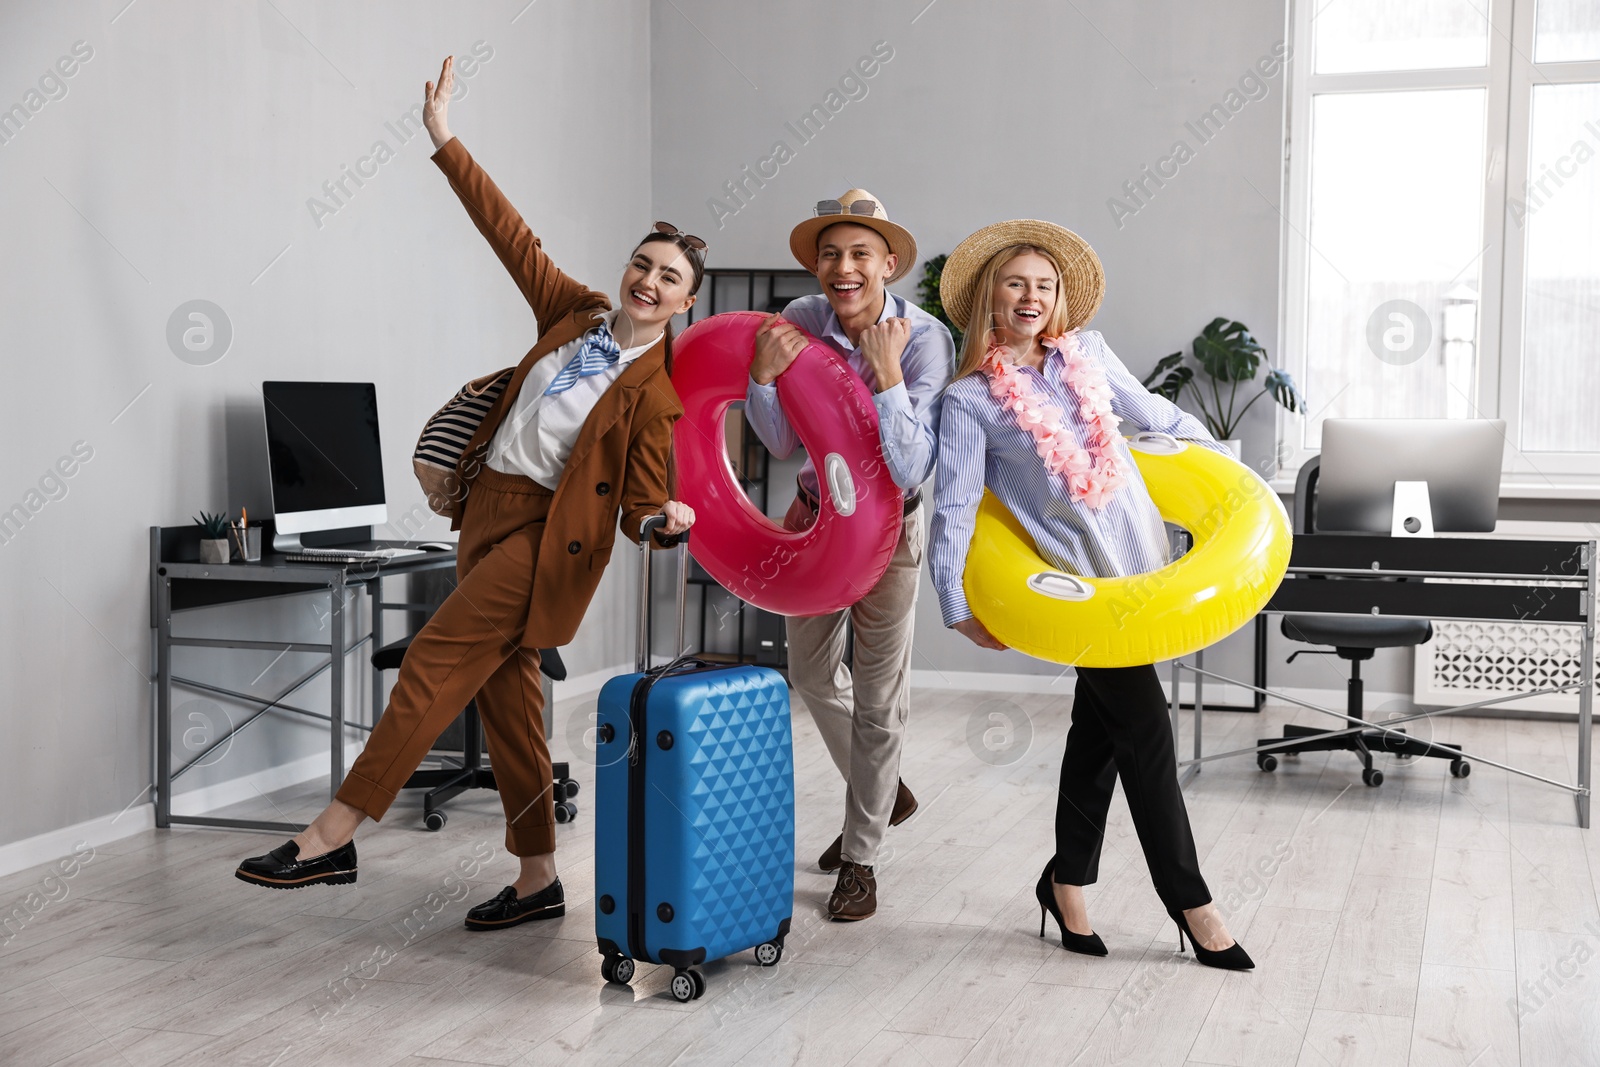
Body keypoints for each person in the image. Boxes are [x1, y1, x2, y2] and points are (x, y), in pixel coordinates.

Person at [236, 56, 701, 932]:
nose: (648, 280)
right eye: (643, 263)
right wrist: (443, 136)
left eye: (668, 277)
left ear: (684, 303)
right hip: (483, 514)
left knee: (431, 663)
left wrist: (660, 517)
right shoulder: (573, 313)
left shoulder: (657, 393)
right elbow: (507, 231)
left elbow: (641, 499)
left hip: (547, 540)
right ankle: (537, 876)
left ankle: (333, 832)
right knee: (509, 698)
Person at [929, 220, 1253, 969]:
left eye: (1045, 284)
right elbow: (952, 506)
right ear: (990, 295)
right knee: (1146, 729)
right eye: (1016, 282)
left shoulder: (1091, 356)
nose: (1031, 296)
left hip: (1140, 566)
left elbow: (1156, 418)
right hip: (1080, 590)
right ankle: (1191, 902)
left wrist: (1233, 478)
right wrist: (956, 602)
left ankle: (1065, 883)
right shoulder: (972, 401)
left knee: (1098, 734)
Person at [745, 191, 954, 921]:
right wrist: (762, 379)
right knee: (806, 668)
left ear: (888, 262)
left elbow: (908, 467)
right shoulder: (800, 322)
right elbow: (777, 443)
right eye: (830, 254)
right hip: (816, 519)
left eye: (860, 253)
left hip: (892, 530)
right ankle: (884, 789)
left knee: (877, 693)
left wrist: (888, 377)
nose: (844, 267)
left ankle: (860, 857)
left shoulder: (924, 338)